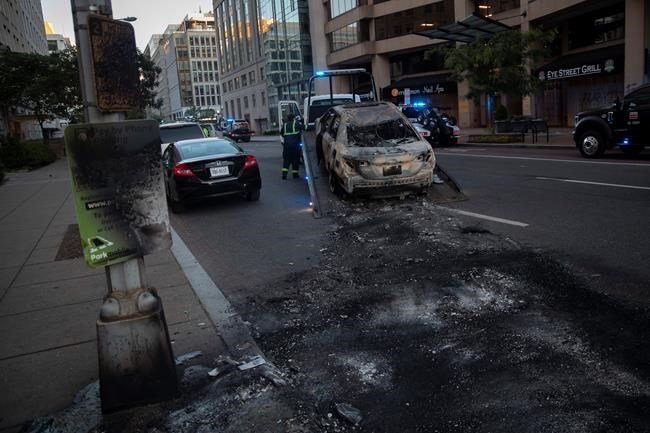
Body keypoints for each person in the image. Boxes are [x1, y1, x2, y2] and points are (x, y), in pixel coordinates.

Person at [280, 113, 303, 179]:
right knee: (295, 160)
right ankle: (295, 175)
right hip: (295, 146)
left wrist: (287, 138)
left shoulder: (285, 125)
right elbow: (303, 127)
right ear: (293, 118)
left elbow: (282, 133)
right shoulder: (296, 123)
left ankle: (284, 175)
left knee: (286, 160)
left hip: (286, 146)